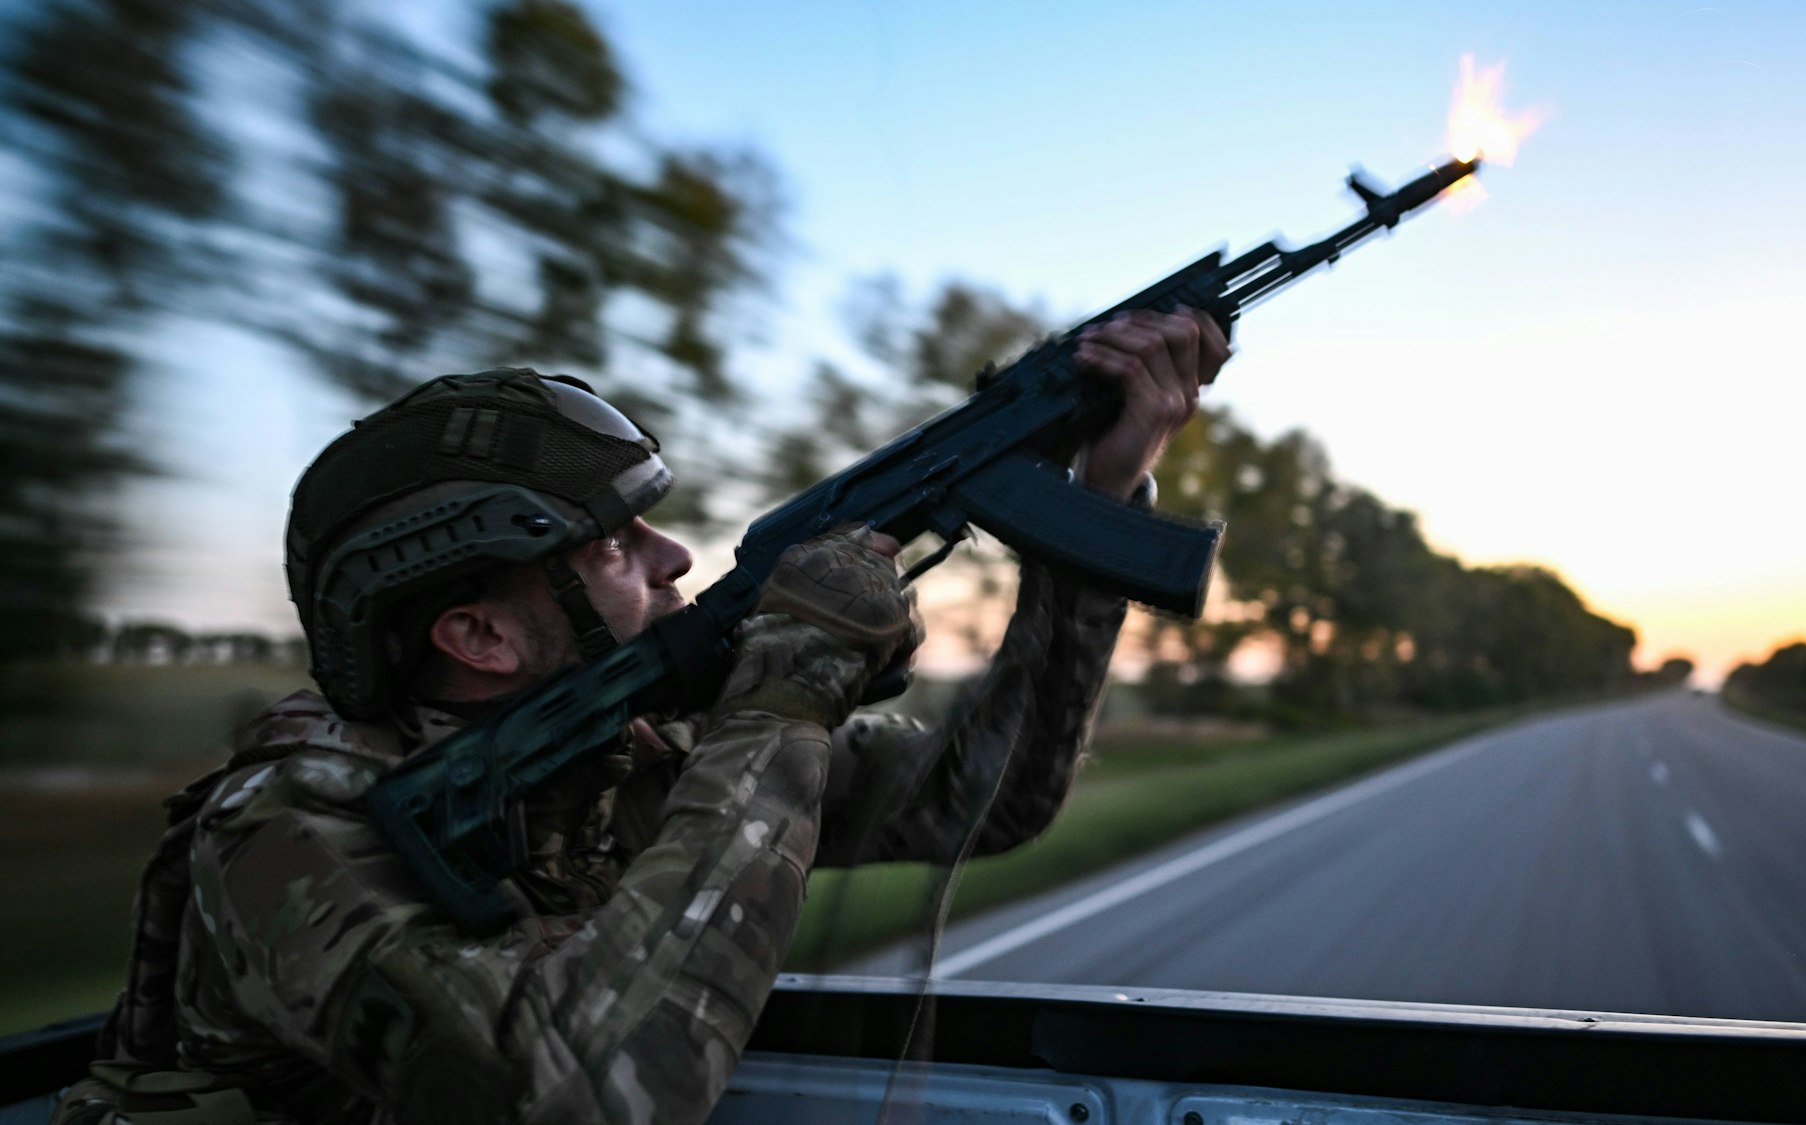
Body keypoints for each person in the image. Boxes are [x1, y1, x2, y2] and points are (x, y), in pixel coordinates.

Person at [55, 310, 1230, 1124]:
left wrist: (1100, 504)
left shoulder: (635, 740)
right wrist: (787, 693)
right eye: (618, 544)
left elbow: (990, 795)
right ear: (481, 636)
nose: (675, 559)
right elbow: (586, 1096)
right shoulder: (288, 828)